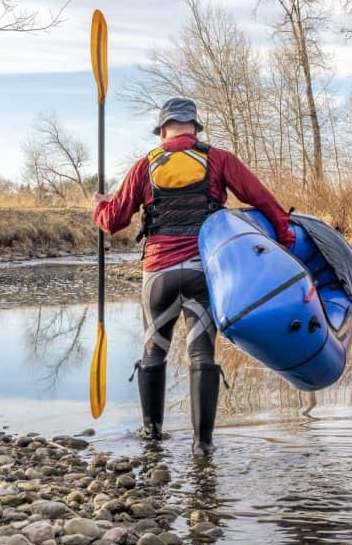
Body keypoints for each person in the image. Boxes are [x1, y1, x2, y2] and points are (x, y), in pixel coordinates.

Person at [93, 97, 295, 456]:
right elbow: (263, 199)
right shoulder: (218, 159)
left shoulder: (145, 166)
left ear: (162, 131)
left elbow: (113, 222)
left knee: (154, 348)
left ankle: (151, 437)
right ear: (195, 127)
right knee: (201, 353)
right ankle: (203, 446)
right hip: (203, 272)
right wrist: (285, 235)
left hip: (158, 275)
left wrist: (100, 205)